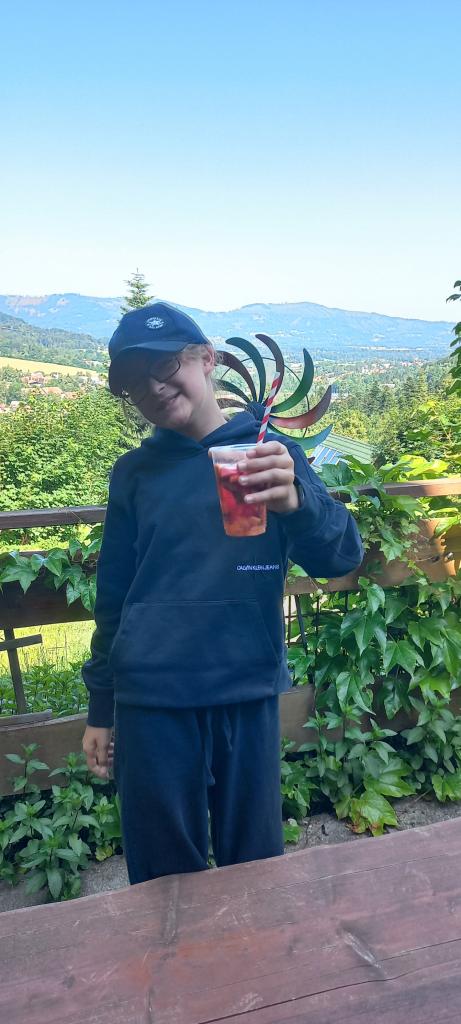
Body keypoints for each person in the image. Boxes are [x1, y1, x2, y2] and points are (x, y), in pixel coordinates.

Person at [82, 301, 363, 884]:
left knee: (253, 872)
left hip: (244, 689)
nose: (153, 388)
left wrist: (297, 502)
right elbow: (113, 597)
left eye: (165, 366)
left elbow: (341, 557)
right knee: (162, 882)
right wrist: (101, 709)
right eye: (134, 383)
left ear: (206, 359)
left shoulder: (270, 455)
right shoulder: (134, 473)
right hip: (151, 699)